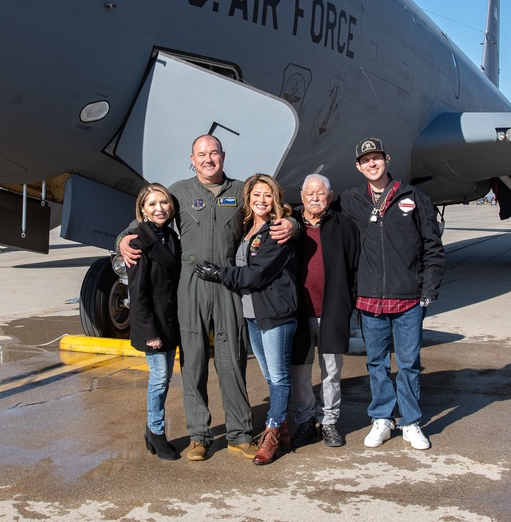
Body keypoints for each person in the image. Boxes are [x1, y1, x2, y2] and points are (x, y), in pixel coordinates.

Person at [117, 135, 296, 462]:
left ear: (223, 156)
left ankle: (240, 434)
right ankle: (199, 435)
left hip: (228, 283)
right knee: (194, 363)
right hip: (191, 285)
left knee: (233, 361)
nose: (208, 159)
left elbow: (271, 208)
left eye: (214, 153)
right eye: (202, 154)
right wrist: (123, 239)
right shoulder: (179, 192)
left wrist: (292, 224)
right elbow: (149, 215)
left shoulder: (241, 190)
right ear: (192, 159)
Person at [338, 137, 445, 450]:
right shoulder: (351, 199)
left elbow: (432, 245)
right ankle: (382, 419)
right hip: (370, 300)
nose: (372, 164)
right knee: (377, 363)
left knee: (409, 363)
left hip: (409, 299)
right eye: (365, 160)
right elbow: (320, 217)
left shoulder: (414, 197)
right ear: (358, 167)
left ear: (387, 159)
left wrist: (429, 288)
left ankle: (411, 422)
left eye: (376, 158)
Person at [196, 173, 299, 465]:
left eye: (267, 195)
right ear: (248, 199)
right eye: (256, 195)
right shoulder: (247, 228)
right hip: (254, 315)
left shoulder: (277, 230)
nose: (261, 200)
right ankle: (284, 428)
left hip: (276, 313)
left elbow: (257, 274)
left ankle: (272, 434)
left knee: (279, 378)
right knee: (270, 377)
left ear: (275, 199)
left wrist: (220, 274)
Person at [288, 173, 359, 449]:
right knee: (300, 372)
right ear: (301, 196)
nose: (314, 198)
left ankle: (329, 421)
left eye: (320, 193)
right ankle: (306, 421)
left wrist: (349, 305)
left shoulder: (344, 226)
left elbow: (354, 268)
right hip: (298, 313)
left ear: (330, 196)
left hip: (332, 311)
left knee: (331, 371)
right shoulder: (290, 225)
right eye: (309, 193)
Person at [126, 183, 182, 461]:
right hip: (153, 325)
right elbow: (137, 294)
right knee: (159, 379)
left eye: (164, 203)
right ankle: (157, 433)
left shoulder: (171, 237)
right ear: (143, 210)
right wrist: (149, 332)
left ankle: (151, 431)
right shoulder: (137, 242)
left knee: (165, 378)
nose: (159, 208)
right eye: (152, 204)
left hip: (170, 321)